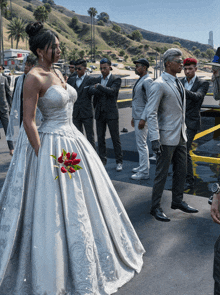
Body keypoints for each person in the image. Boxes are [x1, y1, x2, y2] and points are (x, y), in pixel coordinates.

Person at [0, 22, 145, 294]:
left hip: (74, 141)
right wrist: (43, 155)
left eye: (58, 46)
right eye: (54, 47)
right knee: (51, 207)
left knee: (85, 201)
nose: (58, 50)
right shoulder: (34, 77)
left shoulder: (55, 71)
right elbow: (29, 121)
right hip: (51, 144)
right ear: (41, 50)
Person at [147, 48, 199, 222]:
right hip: (165, 137)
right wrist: (154, 138)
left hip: (180, 136)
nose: (181, 64)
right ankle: (155, 207)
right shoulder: (159, 83)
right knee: (161, 174)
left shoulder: (178, 82)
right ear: (168, 63)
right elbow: (151, 112)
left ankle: (177, 201)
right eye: (178, 61)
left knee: (181, 171)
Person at [89, 58, 123, 171]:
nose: (102, 70)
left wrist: (99, 87)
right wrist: (100, 89)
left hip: (111, 113)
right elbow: (92, 92)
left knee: (115, 138)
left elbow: (112, 92)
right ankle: (102, 161)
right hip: (100, 113)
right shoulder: (97, 79)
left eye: (105, 68)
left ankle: (119, 161)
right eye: (101, 68)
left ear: (110, 67)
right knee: (100, 138)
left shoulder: (116, 79)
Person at [180, 58, 209, 190]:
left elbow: (198, 97)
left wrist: (179, 89)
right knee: (177, 150)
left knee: (184, 149)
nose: (187, 71)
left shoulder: (203, 83)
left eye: (190, 69)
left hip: (191, 121)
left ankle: (189, 180)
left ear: (196, 69)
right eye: (185, 69)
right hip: (178, 121)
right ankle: (180, 176)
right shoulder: (180, 82)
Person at [131, 58, 153, 180]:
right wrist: (133, 117)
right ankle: (143, 166)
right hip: (137, 116)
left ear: (144, 68)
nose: (136, 68)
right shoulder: (141, 79)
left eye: (138, 66)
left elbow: (150, 102)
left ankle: (144, 172)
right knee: (140, 144)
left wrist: (143, 119)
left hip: (142, 118)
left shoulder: (147, 81)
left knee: (142, 145)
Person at [67, 58, 96, 149]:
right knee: (77, 137)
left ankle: (93, 158)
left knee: (90, 136)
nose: (77, 71)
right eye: (76, 68)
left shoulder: (91, 80)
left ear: (85, 68)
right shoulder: (71, 80)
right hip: (75, 113)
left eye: (79, 68)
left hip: (87, 113)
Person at [0, 64, 14, 156]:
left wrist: (12, 108)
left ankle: (11, 148)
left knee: (8, 130)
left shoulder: (4, 79)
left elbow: (8, 95)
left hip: (4, 109)